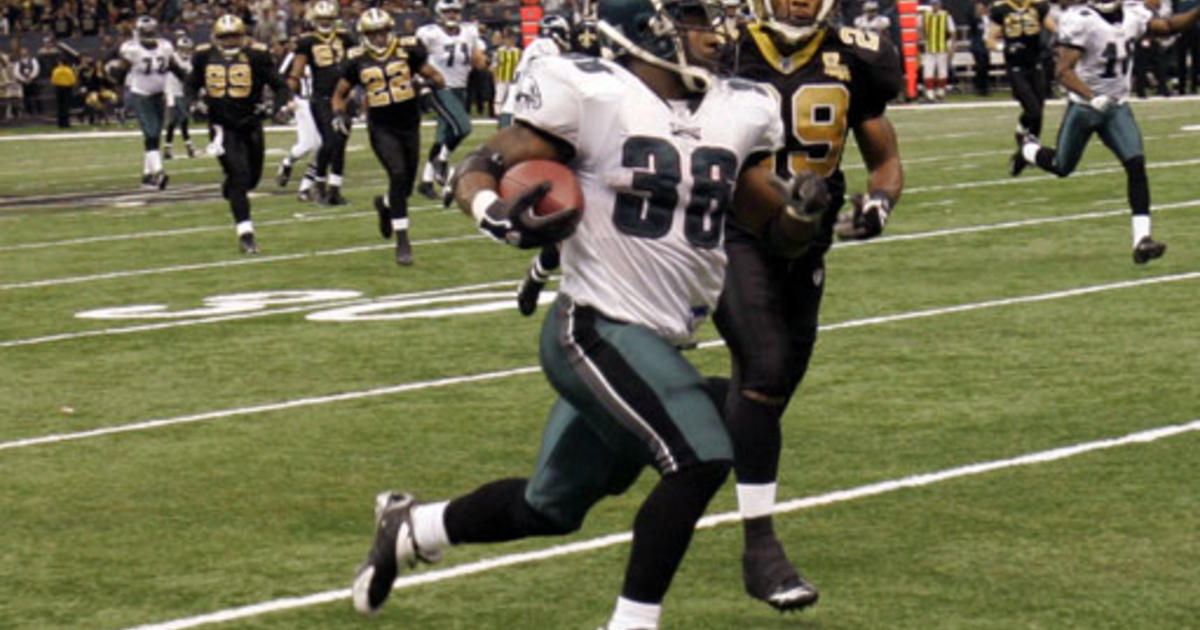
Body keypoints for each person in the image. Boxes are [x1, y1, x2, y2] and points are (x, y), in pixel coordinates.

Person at [349, 0, 837, 627]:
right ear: (643, 27)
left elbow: (773, 226)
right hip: (595, 326)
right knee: (704, 453)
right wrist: (494, 215)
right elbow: (482, 164)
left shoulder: (742, 107)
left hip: (659, 340)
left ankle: (414, 527)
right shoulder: (591, 92)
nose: (713, 30)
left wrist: (801, 210)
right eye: (692, 16)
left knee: (549, 507)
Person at [710, 0, 904, 612]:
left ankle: (677, 408)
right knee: (764, 369)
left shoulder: (858, 54)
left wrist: (879, 203)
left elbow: (884, 158)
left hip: (809, 236)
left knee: (770, 389)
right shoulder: (726, 48)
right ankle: (760, 549)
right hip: (734, 231)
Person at [1014, 0, 1200, 264]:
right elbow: (1063, 72)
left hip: (1116, 106)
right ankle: (1027, 150)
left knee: (1136, 165)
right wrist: (1091, 97)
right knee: (1061, 165)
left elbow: (1168, 26)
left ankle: (1142, 240)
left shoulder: (1133, 15)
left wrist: (1196, 12)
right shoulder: (1082, 19)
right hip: (1084, 107)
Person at [331, 8, 445, 265]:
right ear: (364, 35)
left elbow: (435, 77)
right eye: (373, 33)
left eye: (382, 32)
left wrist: (425, 86)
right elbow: (339, 93)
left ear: (389, 30)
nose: (379, 38)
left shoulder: (408, 50)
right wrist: (338, 114)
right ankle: (403, 240)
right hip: (381, 127)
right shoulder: (356, 60)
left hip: (409, 124)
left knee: (403, 187)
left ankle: (384, 204)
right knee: (397, 174)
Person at [188, 14, 289, 255]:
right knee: (240, 176)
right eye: (225, 37)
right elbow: (191, 83)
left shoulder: (257, 56)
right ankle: (246, 234)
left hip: (250, 123)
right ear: (217, 37)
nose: (230, 42)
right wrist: (194, 103)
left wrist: (276, 107)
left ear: (242, 36)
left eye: (234, 36)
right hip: (221, 126)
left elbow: (280, 85)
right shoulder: (204, 56)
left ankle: (231, 188)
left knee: (251, 179)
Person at [414, 0, 488, 199]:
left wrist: (480, 57)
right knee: (463, 127)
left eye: (455, 11)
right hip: (439, 87)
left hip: (460, 88)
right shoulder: (428, 33)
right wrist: (421, 83)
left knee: (442, 137)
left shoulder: (469, 31)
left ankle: (426, 181)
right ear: (439, 13)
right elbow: (414, 59)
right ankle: (442, 161)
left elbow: (478, 61)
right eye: (447, 12)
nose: (452, 15)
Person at [105, 15, 188, 189]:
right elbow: (121, 71)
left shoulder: (165, 47)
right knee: (150, 133)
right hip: (141, 94)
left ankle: (147, 176)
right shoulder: (132, 50)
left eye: (151, 31)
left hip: (159, 94)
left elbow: (174, 67)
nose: (149, 35)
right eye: (146, 32)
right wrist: (115, 80)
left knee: (155, 135)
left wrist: (190, 82)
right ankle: (158, 172)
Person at [288, 0, 355, 205]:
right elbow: (296, 71)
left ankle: (334, 189)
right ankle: (319, 185)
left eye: (328, 19)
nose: (325, 22)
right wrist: (289, 94)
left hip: (344, 97)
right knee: (329, 141)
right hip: (322, 97)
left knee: (340, 143)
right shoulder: (307, 41)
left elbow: (355, 63)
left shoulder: (345, 38)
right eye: (321, 19)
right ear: (315, 20)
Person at [989, 0, 1054, 175]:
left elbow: (1054, 29)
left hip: (1036, 63)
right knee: (1033, 110)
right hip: (1016, 66)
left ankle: (1028, 150)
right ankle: (1022, 136)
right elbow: (990, 39)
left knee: (1038, 109)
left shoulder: (1038, 6)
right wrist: (1005, 47)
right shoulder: (1001, 9)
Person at [276, 41, 322, 199]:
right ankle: (287, 162)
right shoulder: (294, 56)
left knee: (323, 146)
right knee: (309, 144)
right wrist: (287, 100)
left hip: (322, 102)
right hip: (303, 102)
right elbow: (281, 78)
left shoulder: (324, 52)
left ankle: (305, 188)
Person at [163, 34, 195, 159]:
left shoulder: (191, 59)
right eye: (183, 48)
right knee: (176, 120)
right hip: (172, 91)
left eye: (188, 48)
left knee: (182, 120)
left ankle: (171, 148)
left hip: (183, 93)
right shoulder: (173, 58)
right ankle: (186, 147)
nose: (186, 51)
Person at [920, 0, 956, 100]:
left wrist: (952, 46)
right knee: (928, 70)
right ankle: (930, 91)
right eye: (933, 4)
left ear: (940, 5)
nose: (935, 6)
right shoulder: (925, 16)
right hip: (929, 47)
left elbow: (952, 32)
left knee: (942, 70)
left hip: (941, 47)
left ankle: (941, 90)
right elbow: (922, 29)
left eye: (936, 4)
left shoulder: (946, 16)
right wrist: (922, 42)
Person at [491, 30, 521, 124]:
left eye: (511, 39)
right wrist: (495, 77)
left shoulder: (518, 52)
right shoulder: (499, 51)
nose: (509, 41)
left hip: (513, 79)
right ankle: (498, 114)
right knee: (499, 96)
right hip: (502, 77)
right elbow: (495, 65)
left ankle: (512, 114)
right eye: (507, 39)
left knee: (512, 97)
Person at [50, 56, 76, 128]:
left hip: (58, 89)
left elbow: (53, 80)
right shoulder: (69, 70)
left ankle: (60, 123)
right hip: (67, 89)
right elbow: (73, 80)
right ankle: (66, 123)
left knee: (60, 107)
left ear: (60, 63)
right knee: (66, 107)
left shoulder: (56, 70)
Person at [14, 47, 40, 117]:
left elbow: (36, 69)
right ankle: (29, 112)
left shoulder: (33, 60)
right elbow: (16, 73)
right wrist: (24, 80)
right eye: (22, 52)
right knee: (26, 98)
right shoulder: (18, 62)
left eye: (25, 51)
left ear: (28, 52)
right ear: (20, 53)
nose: (23, 53)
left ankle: (39, 111)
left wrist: (31, 78)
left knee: (36, 96)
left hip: (33, 82)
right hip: (24, 83)